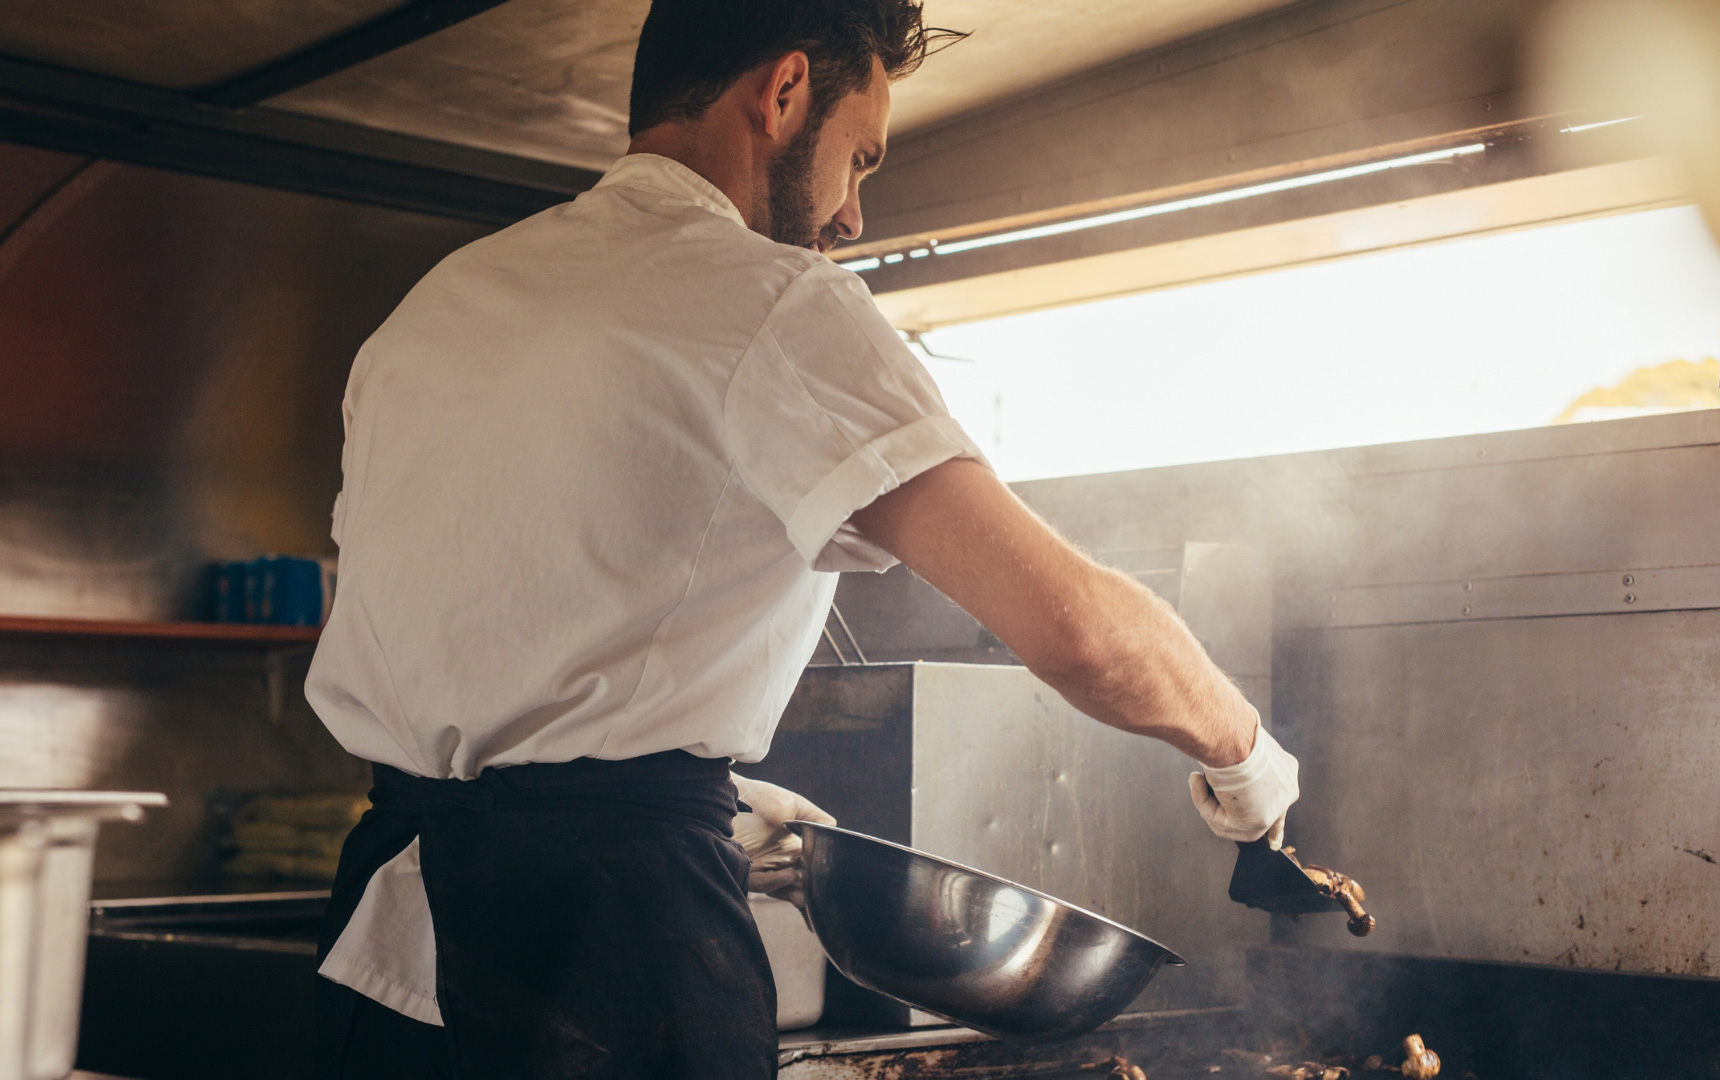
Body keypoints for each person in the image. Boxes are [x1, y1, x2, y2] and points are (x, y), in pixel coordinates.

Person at [305, 1, 1298, 1077]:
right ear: (782, 94)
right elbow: (1081, 635)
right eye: (859, 158)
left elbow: (514, 617)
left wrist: (673, 779)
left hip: (385, 955)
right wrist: (1243, 752)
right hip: (614, 954)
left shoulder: (433, 308)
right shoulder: (772, 301)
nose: (853, 213)